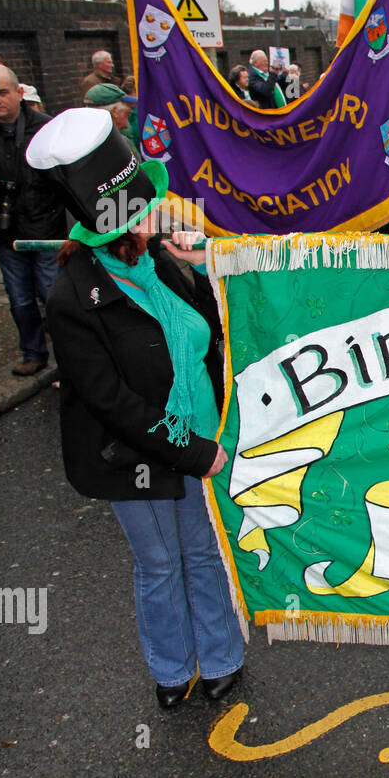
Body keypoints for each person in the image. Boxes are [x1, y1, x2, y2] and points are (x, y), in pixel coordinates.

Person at [30, 107, 245, 709]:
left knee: (203, 552)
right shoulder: (73, 298)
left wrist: (204, 273)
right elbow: (113, 402)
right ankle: (173, 668)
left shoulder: (163, 266)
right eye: (146, 207)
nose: (161, 211)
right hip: (136, 457)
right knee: (160, 563)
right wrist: (197, 452)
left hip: (201, 434)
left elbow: (209, 338)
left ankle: (223, 656)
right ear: (117, 226)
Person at [0, 64, 63, 375]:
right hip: (4, 230)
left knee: (52, 295)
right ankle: (33, 353)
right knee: (19, 298)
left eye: (2, 92)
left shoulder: (46, 127)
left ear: (20, 92)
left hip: (45, 226)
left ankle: (69, 360)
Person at [84, 83, 140, 150]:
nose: (130, 111)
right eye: (127, 105)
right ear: (114, 111)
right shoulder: (113, 146)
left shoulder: (87, 140)